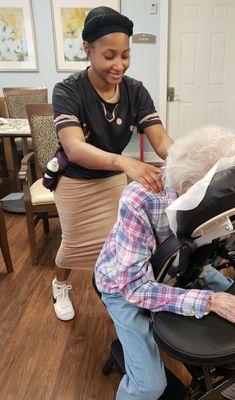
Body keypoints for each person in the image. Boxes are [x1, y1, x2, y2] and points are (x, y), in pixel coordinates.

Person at [94, 125, 235, 400]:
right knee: (149, 387)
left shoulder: (214, 193)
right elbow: (134, 287)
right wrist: (210, 301)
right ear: (189, 186)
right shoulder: (140, 198)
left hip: (183, 266)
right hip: (124, 282)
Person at [51, 6, 173, 321]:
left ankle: (112, 291)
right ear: (87, 49)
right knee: (72, 246)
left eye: (126, 55)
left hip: (111, 178)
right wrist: (126, 162)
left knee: (116, 244)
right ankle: (60, 284)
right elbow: (75, 148)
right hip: (75, 181)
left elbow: (161, 141)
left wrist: (192, 160)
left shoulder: (135, 90)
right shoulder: (68, 91)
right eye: (110, 56)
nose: (119, 65)